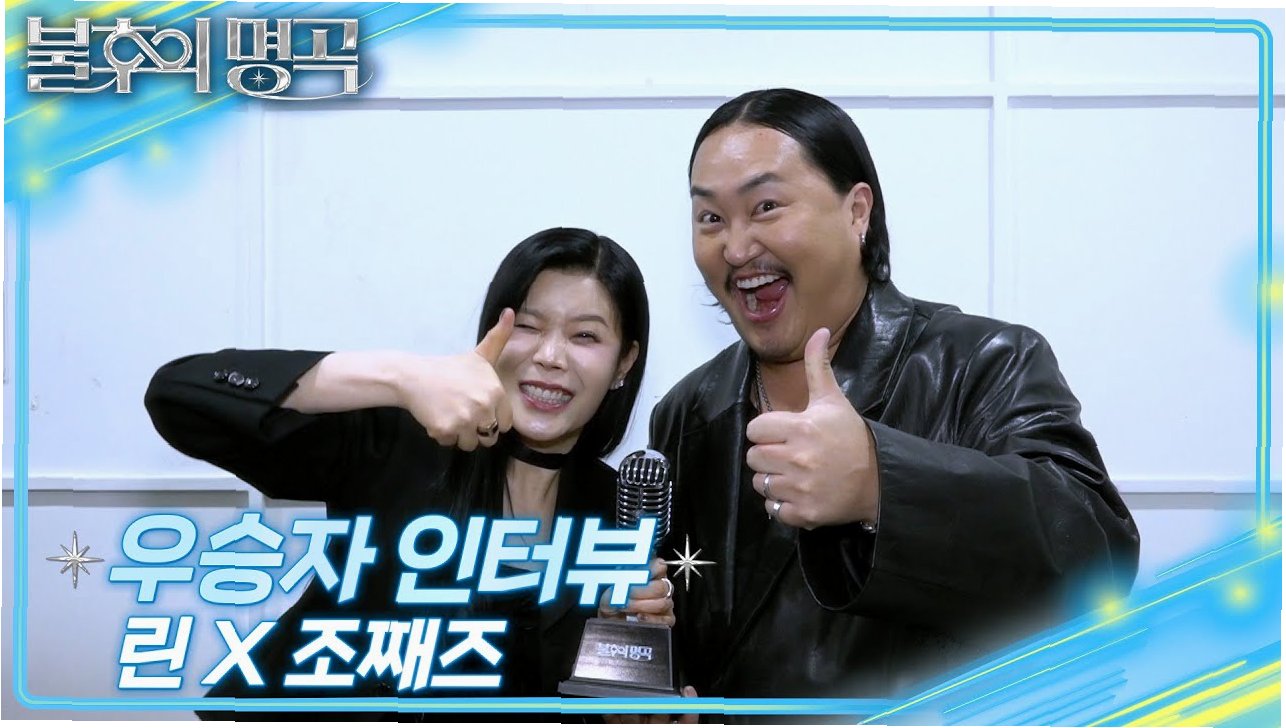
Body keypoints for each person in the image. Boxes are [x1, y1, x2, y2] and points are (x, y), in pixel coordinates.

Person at [650, 89, 1142, 712]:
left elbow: (1096, 556)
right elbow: (683, 632)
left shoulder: (982, 362)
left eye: (766, 206)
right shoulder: (687, 413)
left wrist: (879, 482)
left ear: (857, 212)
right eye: (710, 219)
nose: (737, 247)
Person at [144, 227, 672, 720]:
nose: (550, 356)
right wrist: (402, 377)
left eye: (585, 336)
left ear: (624, 363)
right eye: (529, 327)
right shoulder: (399, 443)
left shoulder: (621, 517)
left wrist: (624, 670)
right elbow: (179, 396)